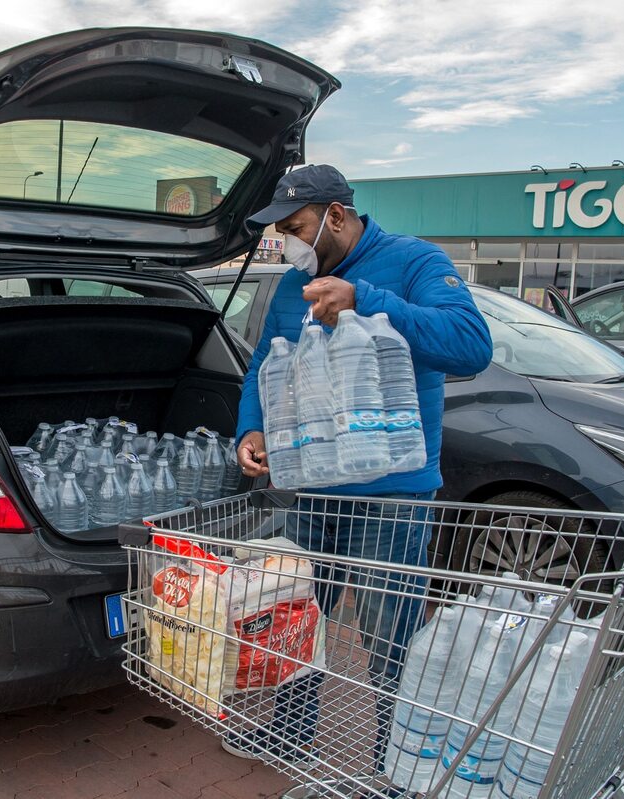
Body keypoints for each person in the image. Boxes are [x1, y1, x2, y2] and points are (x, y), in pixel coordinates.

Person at [225, 165, 493, 769]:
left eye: (295, 229)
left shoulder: (413, 261)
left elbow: (471, 345)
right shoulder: (296, 284)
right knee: (295, 617)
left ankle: (395, 760)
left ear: (335, 217)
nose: (288, 244)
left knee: (390, 635)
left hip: (389, 492)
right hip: (308, 484)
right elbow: (265, 363)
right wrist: (252, 427)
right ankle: (290, 734)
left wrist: (366, 300)